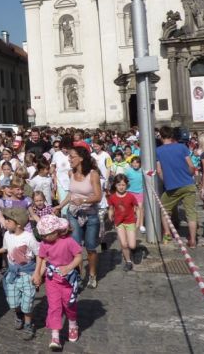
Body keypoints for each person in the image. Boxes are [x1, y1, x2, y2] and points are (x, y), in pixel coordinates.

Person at [54, 147, 102, 289]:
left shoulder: (93, 174)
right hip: (73, 214)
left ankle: (92, 275)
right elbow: (71, 194)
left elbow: (98, 197)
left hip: (90, 214)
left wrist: (84, 201)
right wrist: (60, 206)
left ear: (81, 158)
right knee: (75, 247)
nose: (69, 159)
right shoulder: (71, 173)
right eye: (69, 156)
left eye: (72, 156)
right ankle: (78, 276)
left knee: (91, 247)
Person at [0, 207, 38, 341]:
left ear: (18, 224)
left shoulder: (28, 237)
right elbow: (5, 248)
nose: (5, 223)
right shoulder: (7, 235)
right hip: (12, 274)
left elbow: (39, 255)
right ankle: (18, 314)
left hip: (27, 274)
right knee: (13, 302)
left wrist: (38, 273)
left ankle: (28, 324)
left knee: (27, 304)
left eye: (8, 220)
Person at [33, 215, 82, 351]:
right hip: (52, 280)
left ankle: (72, 324)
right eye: (42, 236)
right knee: (54, 307)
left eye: (46, 235)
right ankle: (55, 336)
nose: (44, 238)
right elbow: (43, 259)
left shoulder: (68, 241)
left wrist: (68, 267)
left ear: (56, 231)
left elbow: (79, 256)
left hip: (68, 281)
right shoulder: (44, 244)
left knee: (69, 305)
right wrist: (38, 274)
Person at [156, 126, 197, 247]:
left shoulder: (158, 151)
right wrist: (188, 175)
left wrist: (166, 181)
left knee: (164, 210)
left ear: (161, 136)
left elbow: (159, 170)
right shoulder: (182, 147)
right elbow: (191, 166)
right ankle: (193, 240)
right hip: (188, 183)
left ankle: (167, 235)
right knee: (191, 212)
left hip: (172, 186)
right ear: (172, 136)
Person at [108, 174, 139, 271]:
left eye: (123, 185)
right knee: (124, 244)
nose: (121, 187)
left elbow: (138, 209)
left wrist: (138, 222)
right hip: (119, 223)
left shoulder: (130, 196)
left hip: (130, 222)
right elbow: (111, 208)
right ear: (115, 185)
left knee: (132, 245)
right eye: (119, 185)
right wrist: (110, 214)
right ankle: (128, 261)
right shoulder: (112, 197)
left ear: (127, 185)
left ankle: (132, 250)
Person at [125, 156, 145, 234]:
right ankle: (129, 223)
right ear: (131, 164)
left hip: (140, 192)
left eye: (137, 162)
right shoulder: (128, 171)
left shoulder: (142, 170)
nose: (135, 164)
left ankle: (141, 225)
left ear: (140, 164)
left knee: (140, 208)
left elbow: (150, 174)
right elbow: (124, 179)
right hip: (130, 192)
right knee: (131, 209)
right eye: (133, 162)